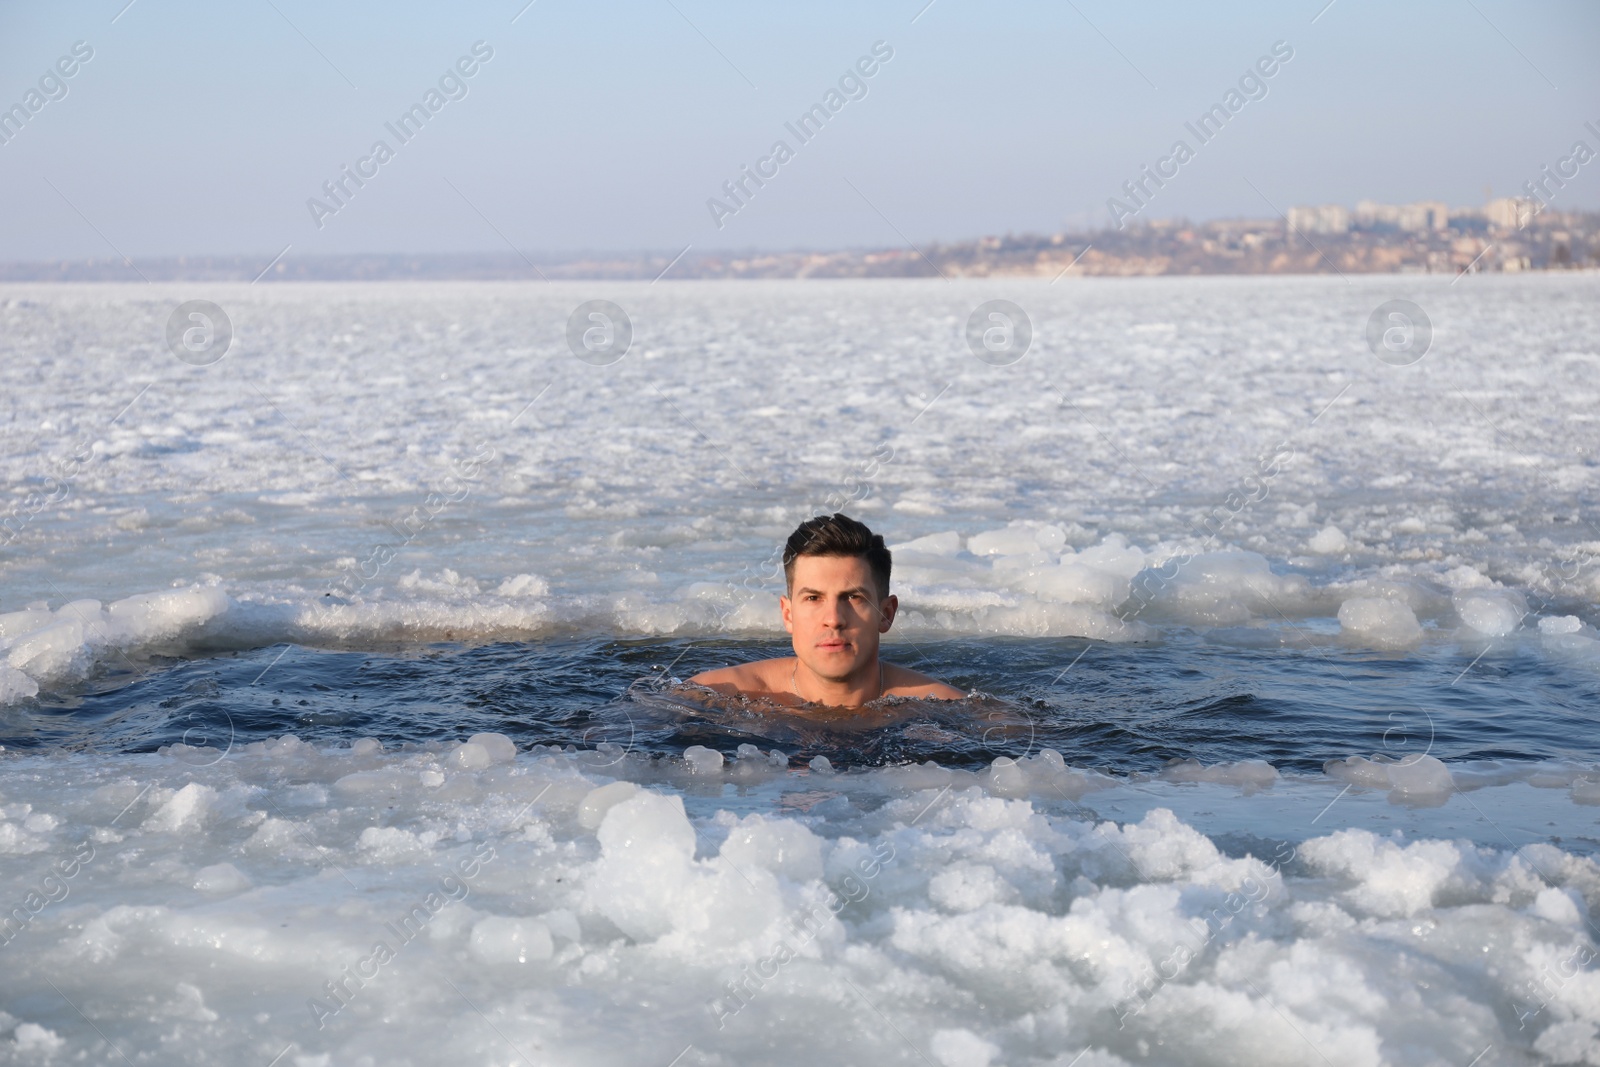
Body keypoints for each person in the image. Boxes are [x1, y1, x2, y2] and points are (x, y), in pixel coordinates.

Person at [688, 513, 964, 707]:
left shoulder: (943, 708)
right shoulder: (715, 696)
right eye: (813, 598)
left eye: (853, 597)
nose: (833, 620)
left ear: (886, 613)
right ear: (788, 614)